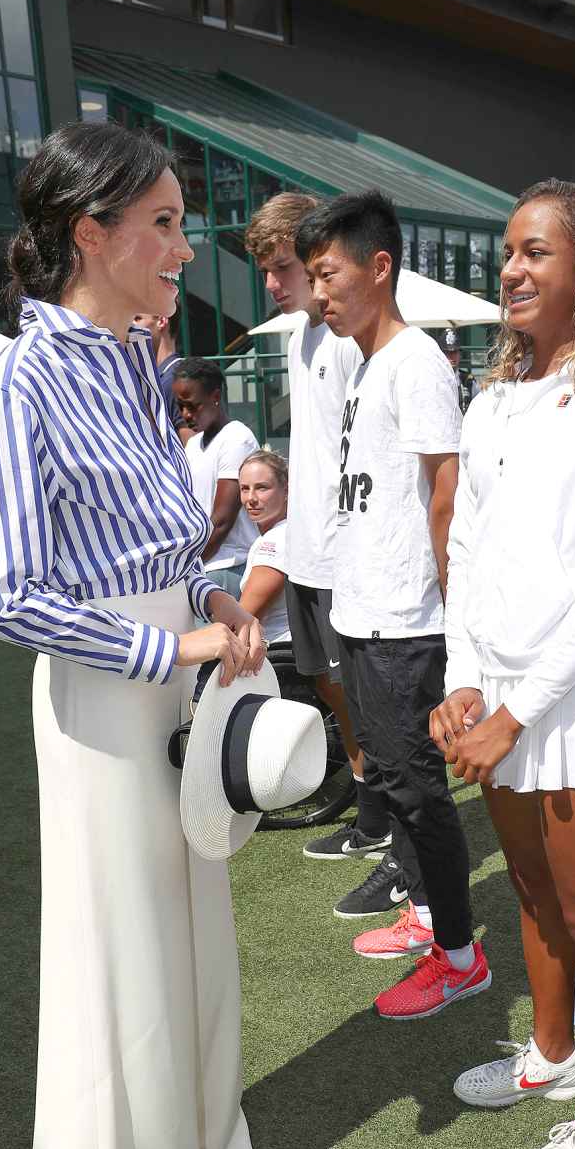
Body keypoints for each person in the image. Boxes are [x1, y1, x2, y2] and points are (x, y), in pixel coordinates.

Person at [0, 121, 266, 1149]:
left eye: (184, 221)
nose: (187, 248)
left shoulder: (141, 364)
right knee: (117, 936)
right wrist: (166, 642)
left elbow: (163, 541)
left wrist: (214, 597)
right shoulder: (11, 385)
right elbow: (4, 592)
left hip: (178, 664)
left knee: (193, 911)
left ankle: (192, 1145)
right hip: (101, 696)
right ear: (92, 231)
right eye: (166, 223)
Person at [431, 178, 575, 1149]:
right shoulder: (488, 397)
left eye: (535, 253)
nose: (511, 270)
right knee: (529, 892)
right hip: (501, 706)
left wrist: (518, 712)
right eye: (508, 253)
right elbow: (466, 549)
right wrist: (464, 684)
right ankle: (552, 1054)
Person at [295, 189, 491, 1019]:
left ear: (380, 267)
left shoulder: (414, 363)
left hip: (409, 619)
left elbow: (446, 488)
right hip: (364, 609)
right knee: (392, 776)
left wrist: (454, 607)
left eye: (328, 275)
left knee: (418, 789)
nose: (318, 295)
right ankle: (424, 915)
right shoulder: (369, 364)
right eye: (311, 277)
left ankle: (460, 953)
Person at [244, 194, 400, 908]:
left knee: (374, 709)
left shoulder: (348, 340)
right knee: (341, 700)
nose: (275, 284)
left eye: (284, 269)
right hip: (307, 555)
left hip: (346, 561)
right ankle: (371, 823)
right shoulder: (299, 338)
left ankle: (402, 846)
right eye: (271, 271)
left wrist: (352, 550)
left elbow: (367, 457)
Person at [173, 356, 259, 600]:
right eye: (180, 406)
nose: (186, 414)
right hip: (201, 569)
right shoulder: (194, 444)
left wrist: (188, 565)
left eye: (193, 405)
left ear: (215, 397)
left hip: (228, 568)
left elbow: (221, 521)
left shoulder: (236, 438)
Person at [238, 449, 290, 643]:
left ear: (286, 490)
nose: (251, 498)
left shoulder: (276, 540)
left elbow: (243, 616)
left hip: (279, 655)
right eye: (244, 488)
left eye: (262, 488)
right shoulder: (279, 534)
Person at [132, 306, 186, 437]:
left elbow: (192, 448)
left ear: (161, 321)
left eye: (137, 318)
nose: (130, 325)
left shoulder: (178, 378)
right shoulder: (155, 377)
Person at [440, 326, 478, 414]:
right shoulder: (434, 379)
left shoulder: (468, 381)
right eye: (447, 353)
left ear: (459, 354)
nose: (452, 357)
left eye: (455, 352)